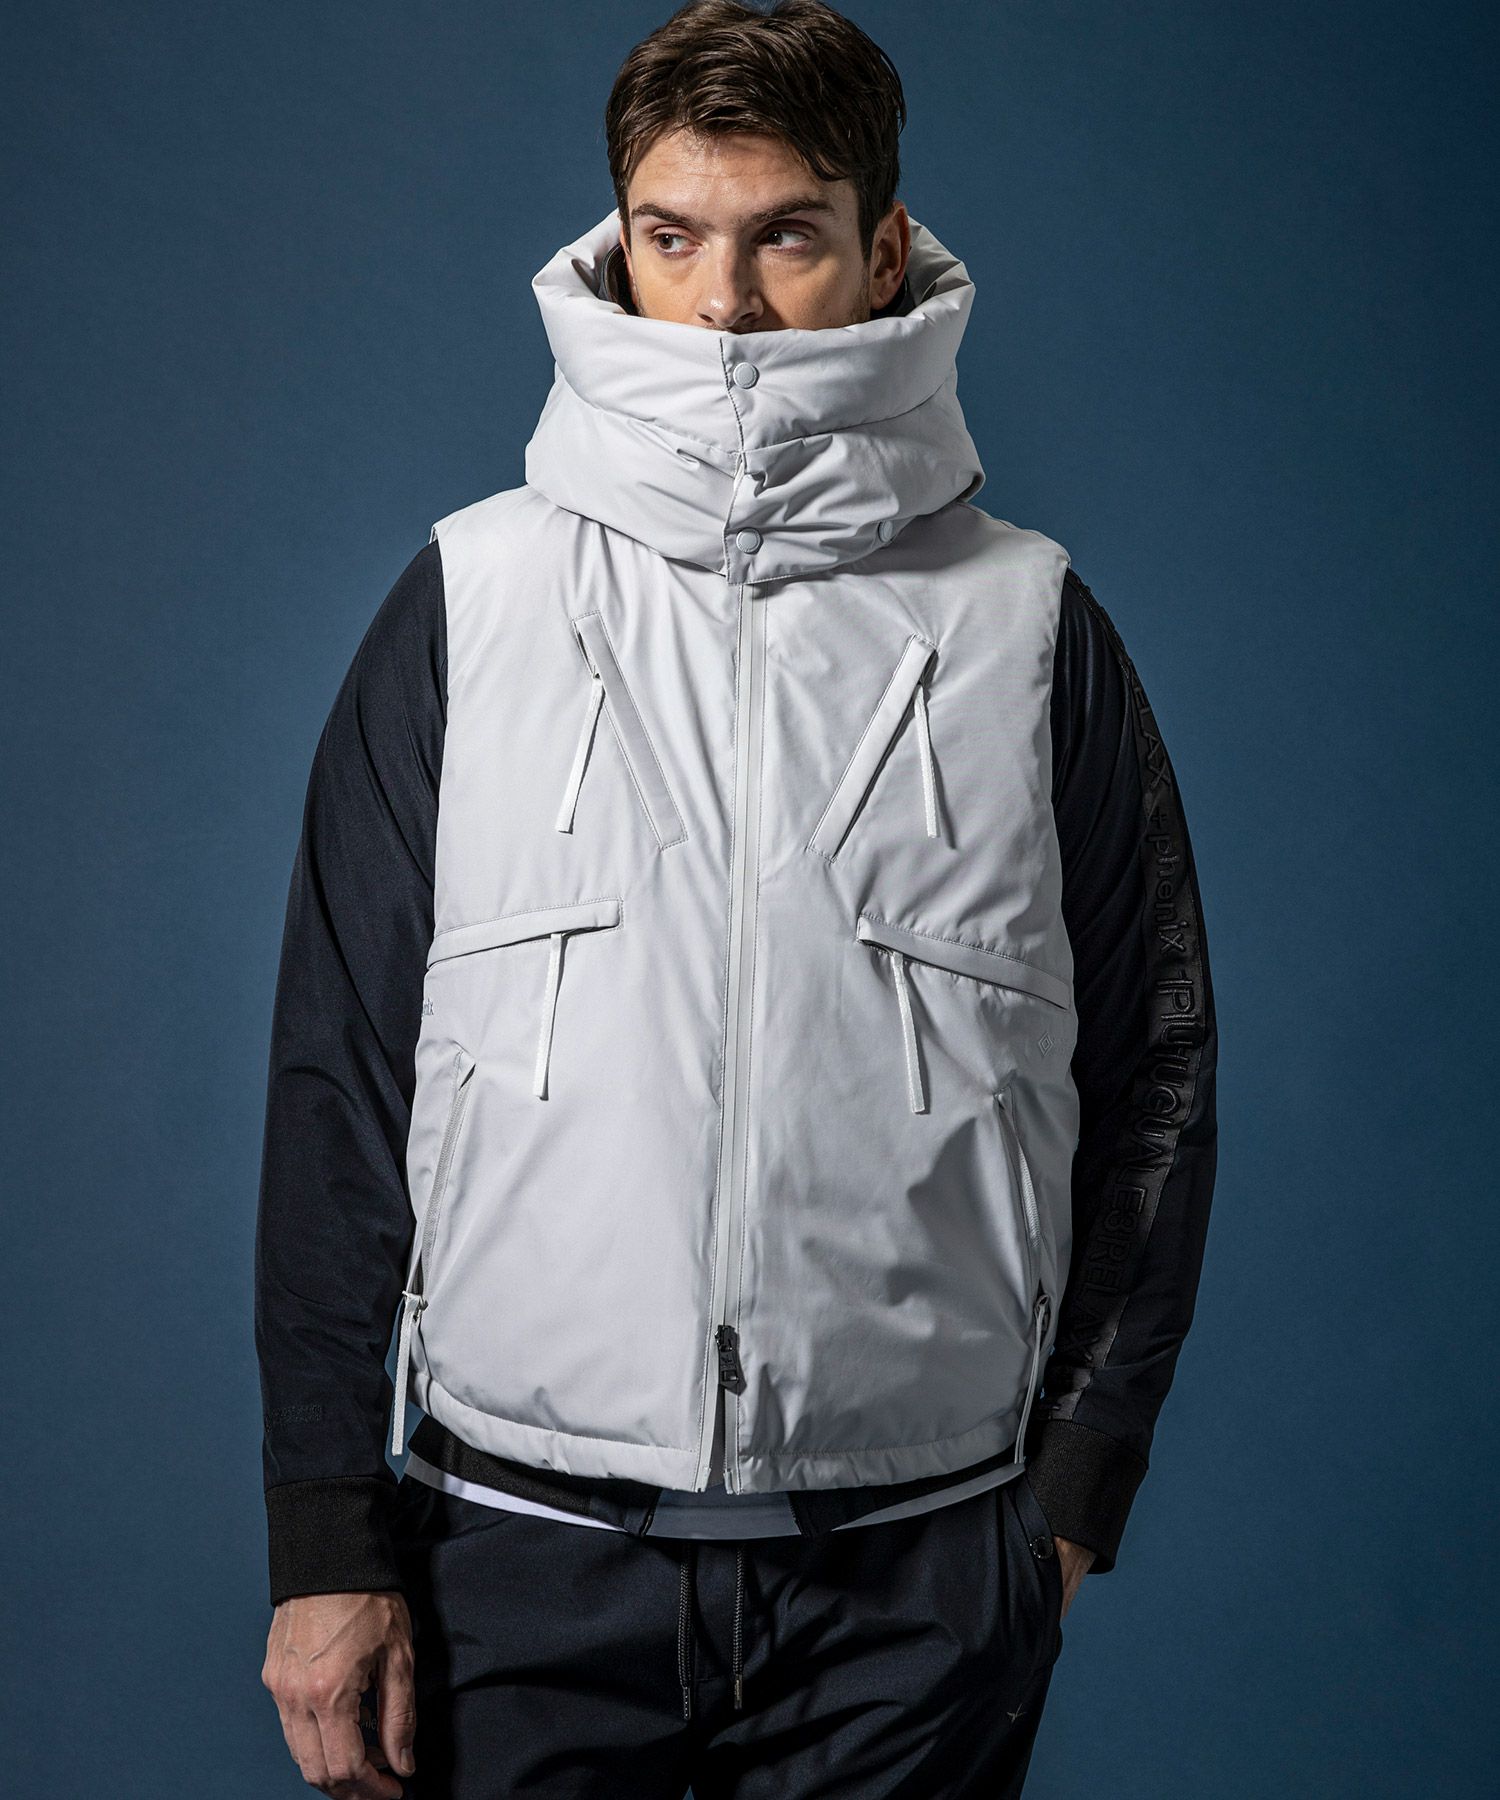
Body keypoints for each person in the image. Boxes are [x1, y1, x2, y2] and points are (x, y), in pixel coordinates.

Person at [255, 3, 1219, 1794]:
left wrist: (1077, 1490)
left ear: (884, 252)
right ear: (621, 239)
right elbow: (342, 1078)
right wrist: (324, 1531)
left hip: (915, 1583)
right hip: (508, 1565)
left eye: (785, 236)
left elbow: (1158, 1066)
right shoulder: (472, 600)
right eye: (674, 236)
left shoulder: (1030, 629)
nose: (722, 306)